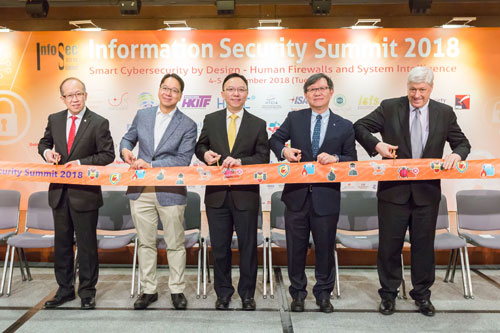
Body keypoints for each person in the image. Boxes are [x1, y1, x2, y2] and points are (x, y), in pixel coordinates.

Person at [354, 66, 471, 317]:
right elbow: (360, 126)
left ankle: (422, 295)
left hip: (427, 194)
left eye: (422, 90)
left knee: (423, 247)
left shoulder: (444, 112)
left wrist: (456, 155)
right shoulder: (389, 107)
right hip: (392, 193)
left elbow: (462, 142)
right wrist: (377, 145)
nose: (417, 95)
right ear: (407, 87)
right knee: (389, 247)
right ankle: (388, 295)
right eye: (412, 89)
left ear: (431, 89)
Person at [269, 73, 357, 313]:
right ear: (306, 95)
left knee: (325, 249)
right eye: (311, 89)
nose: (317, 93)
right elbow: (275, 140)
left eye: (322, 88)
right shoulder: (294, 118)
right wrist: (284, 152)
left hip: (326, 198)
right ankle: (297, 294)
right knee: (295, 250)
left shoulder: (345, 125)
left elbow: (352, 160)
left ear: (331, 92)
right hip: (296, 197)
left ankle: (323, 294)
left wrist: (336, 158)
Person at [120, 73, 197, 310]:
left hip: (170, 191)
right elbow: (127, 138)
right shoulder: (143, 115)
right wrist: (125, 151)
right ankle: (149, 289)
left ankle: (176, 290)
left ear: (180, 95)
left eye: (174, 90)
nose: (168, 92)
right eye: (165, 87)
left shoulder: (188, 124)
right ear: (159, 90)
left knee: (175, 242)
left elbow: (183, 160)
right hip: (141, 189)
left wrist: (151, 165)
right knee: (145, 243)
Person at [38, 77, 115, 309]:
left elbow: (107, 155)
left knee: (87, 245)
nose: (74, 99)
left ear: (86, 95)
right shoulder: (55, 119)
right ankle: (64, 290)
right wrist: (47, 154)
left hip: (85, 195)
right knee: (62, 245)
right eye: (69, 95)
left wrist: (81, 163)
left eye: (78, 94)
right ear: (62, 98)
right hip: (59, 193)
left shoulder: (99, 122)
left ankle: (87, 293)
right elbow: (44, 143)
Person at [195, 73, 269, 311]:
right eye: (231, 89)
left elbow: (263, 157)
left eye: (241, 89)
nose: (236, 93)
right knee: (219, 247)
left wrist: (241, 162)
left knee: (248, 247)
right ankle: (223, 293)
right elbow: (200, 146)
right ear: (223, 93)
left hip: (245, 195)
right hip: (216, 196)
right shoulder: (211, 119)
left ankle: (247, 294)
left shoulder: (258, 123)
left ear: (247, 93)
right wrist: (204, 155)